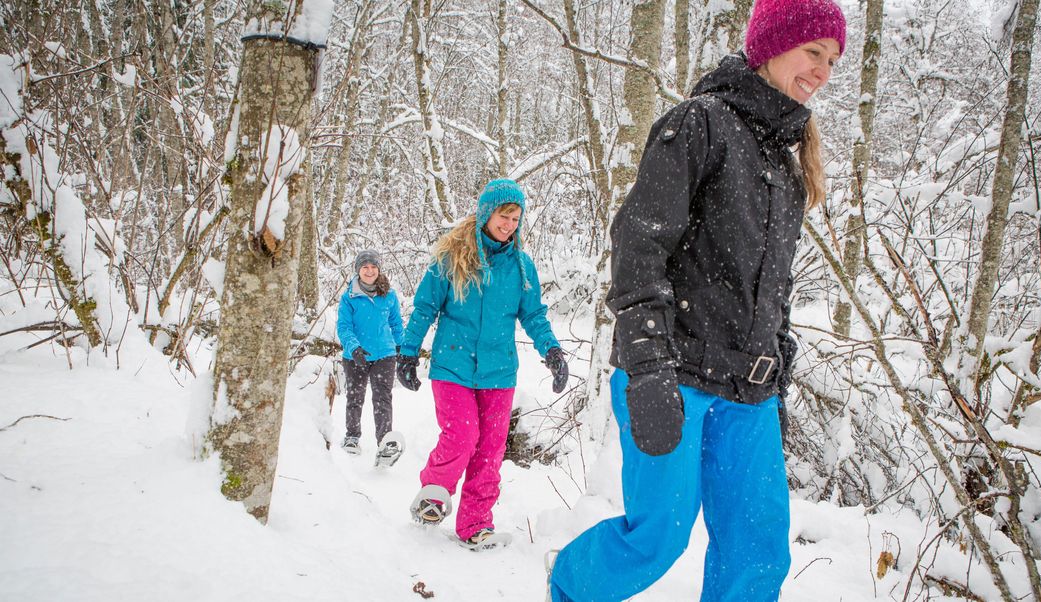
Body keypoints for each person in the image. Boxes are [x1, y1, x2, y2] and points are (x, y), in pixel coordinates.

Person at [548, 0, 846, 599]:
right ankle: (569, 585)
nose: (822, 71)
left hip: (749, 392)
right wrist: (648, 366)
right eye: (813, 51)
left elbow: (772, 283)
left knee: (756, 549)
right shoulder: (699, 124)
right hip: (673, 373)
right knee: (657, 537)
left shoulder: (788, 167)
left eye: (833, 59)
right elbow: (640, 246)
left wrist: (776, 360)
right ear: (772, 44)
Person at [396, 178, 570, 551]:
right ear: (486, 214)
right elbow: (425, 307)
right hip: (452, 366)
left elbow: (534, 315)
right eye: (503, 216)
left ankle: (474, 524)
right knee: (462, 434)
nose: (509, 224)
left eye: (515, 218)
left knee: (490, 451)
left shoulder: (521, 267)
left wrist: (552, 351)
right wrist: (408, 351)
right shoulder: (452, 258)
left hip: (499, 372)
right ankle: (433, 494)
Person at [336, 249, 405, 466]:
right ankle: (352, 437)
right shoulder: (349, 297)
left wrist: (402, 346)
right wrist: (354, 347)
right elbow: (344, 326)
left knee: (382, 398)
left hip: (384, 353)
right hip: (356, 355)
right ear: (358, 270)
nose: (369, 271)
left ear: (378, 269)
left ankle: (384, 443)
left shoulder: (389, 295)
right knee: (355, 397)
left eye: (373, 267)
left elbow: (395, 323)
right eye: (365, 267)